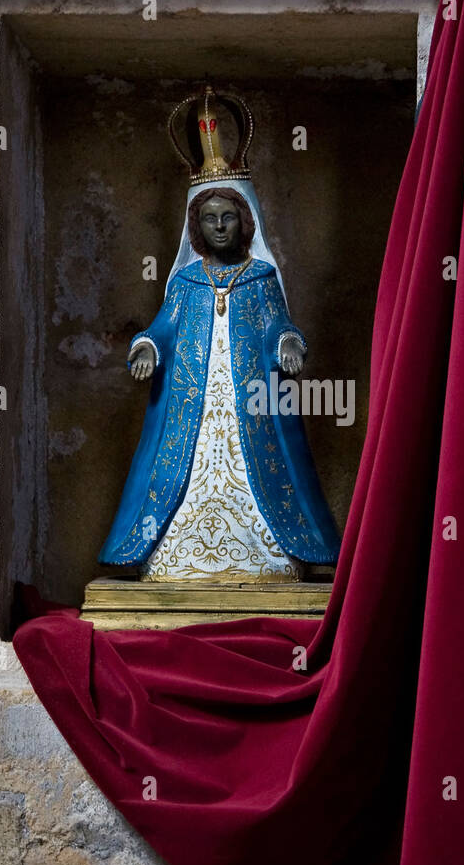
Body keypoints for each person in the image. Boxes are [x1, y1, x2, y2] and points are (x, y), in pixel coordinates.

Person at [98, 87, 340, 579]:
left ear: (245, 222)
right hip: (193, 404)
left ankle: (270, 561)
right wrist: (145, 346)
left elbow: (278, 323)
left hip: (252, 400)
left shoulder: (260, 276)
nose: (220, 226)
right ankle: (172, 561)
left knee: (264, 472)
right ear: (196, 228)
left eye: (228, 217)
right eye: (210, 220)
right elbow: (164, 327)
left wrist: (289, 344)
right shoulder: (186, 281)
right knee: (184, 471)